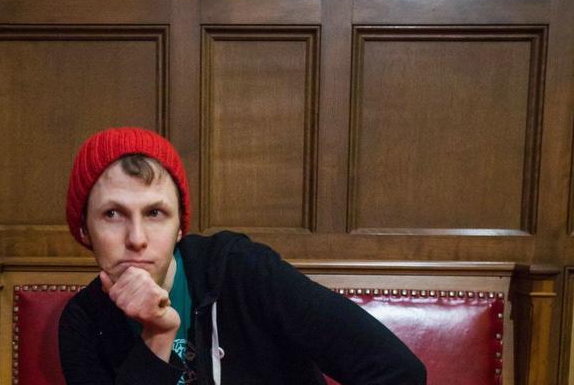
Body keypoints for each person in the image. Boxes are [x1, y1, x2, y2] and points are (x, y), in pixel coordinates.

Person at [58, 127, 426, 385]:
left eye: (155, 213)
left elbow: (397, 371)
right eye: (112, 214)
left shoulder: (241, 271)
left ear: (180, 227)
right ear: (84, 230)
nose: (136, 239)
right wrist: (157, 335)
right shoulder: (85, 320)